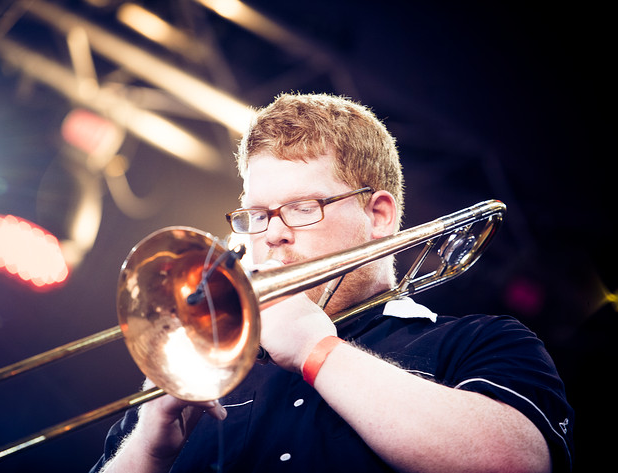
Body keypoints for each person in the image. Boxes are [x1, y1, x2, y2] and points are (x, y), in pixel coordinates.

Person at [90, 93, 574, 472]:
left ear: (379, 214)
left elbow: (516, 463)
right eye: (257, 214)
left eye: (302, 208)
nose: (273, 233)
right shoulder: (196, 373)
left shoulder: (480, 342)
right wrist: (149, 451)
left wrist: (317, 351)